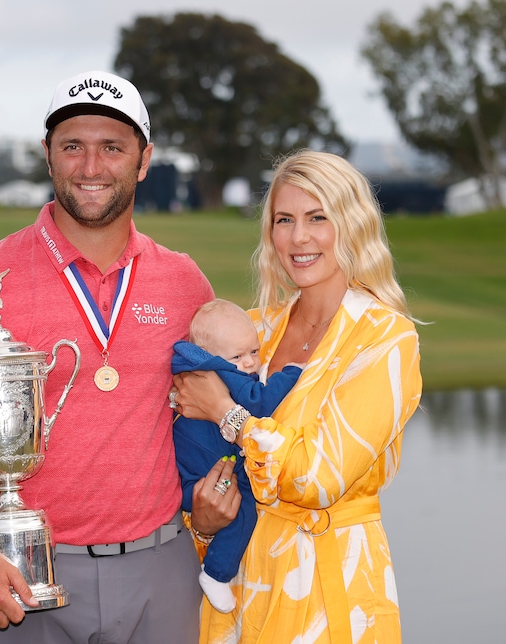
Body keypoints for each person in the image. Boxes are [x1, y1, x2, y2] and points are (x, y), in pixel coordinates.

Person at [0, 70, 225, 643]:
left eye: (112, 147)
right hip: (22, 578)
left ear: (144, 160)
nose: (90, 166)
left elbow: (215, 408)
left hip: (162, 567)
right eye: (72, 146)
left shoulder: (183, 282)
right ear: (48, 158)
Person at [172, 149, 423, 644]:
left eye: (317, 218)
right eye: (284, 219)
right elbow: (190, 436)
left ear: (351, 225)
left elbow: (317, 476)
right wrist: (202, 523)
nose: (298, 237)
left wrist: (226, 412)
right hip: (239, 583)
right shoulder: (255, 330)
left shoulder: (385, 339)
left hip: (330, 593)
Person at [171, 298, 302, 613]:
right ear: (212, 354)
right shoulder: (221, 372)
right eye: (238, 356)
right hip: (213, 468)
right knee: (245, 511)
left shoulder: (197, 364)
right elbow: (258, 405)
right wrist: (293, 374)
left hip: (187, 474)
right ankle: (217, 574)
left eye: (254, 352)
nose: (249, 364)